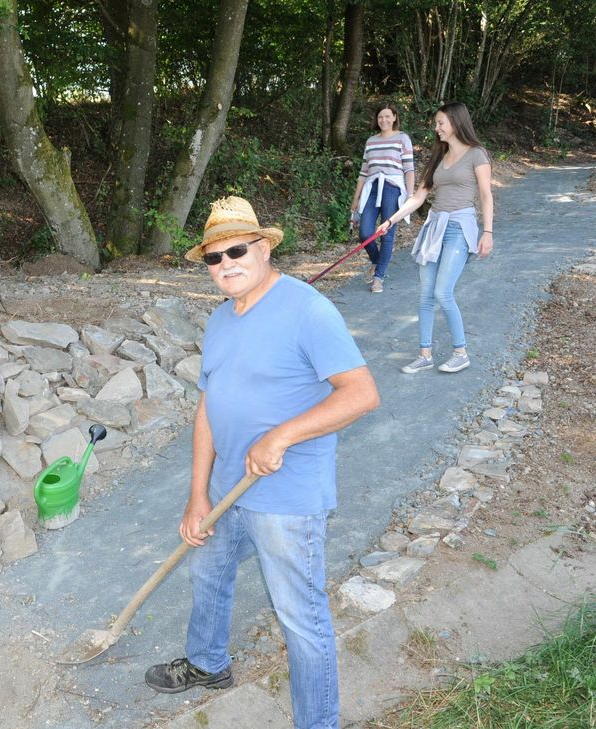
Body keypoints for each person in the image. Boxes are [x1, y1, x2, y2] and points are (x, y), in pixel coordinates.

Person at [145, 197, 380, 729]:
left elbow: (362, 393)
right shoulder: (221, 320)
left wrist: (284, 434)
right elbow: (208, 407)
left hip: (287, 500)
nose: (225, 263)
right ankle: (208, 664)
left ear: (265, 246)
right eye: (213, 257)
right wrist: (197, 492)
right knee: (206, 573)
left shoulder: (308, 310)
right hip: (227, 488)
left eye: (236, 250)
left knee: (301, 620)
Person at [378, 101, 494, 374]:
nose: (437, 127)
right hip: (435, 227)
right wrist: (391, 220)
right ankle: (425, 354)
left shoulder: (477, 154)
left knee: (443, 292)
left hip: (459, 228)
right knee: (425, 296)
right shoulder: (439, 157)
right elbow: (418, 196)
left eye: (441, 122)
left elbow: (486, 195)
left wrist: (487, 231)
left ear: (456, 122)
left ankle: (460, 352)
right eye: (436, 123)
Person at [349, 102, 416, 293]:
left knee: (387, 234)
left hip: (393, 188)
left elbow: (409, 169)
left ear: (394, 117)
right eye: (380, 117)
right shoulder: (371, 141)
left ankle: (378, 278)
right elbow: (363, 172)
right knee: (365, 233)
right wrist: (355, 199)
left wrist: (410, 196)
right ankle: (378, 263)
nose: (384, 120)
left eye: (388, 116)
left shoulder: (403, 138)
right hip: (371, 188)